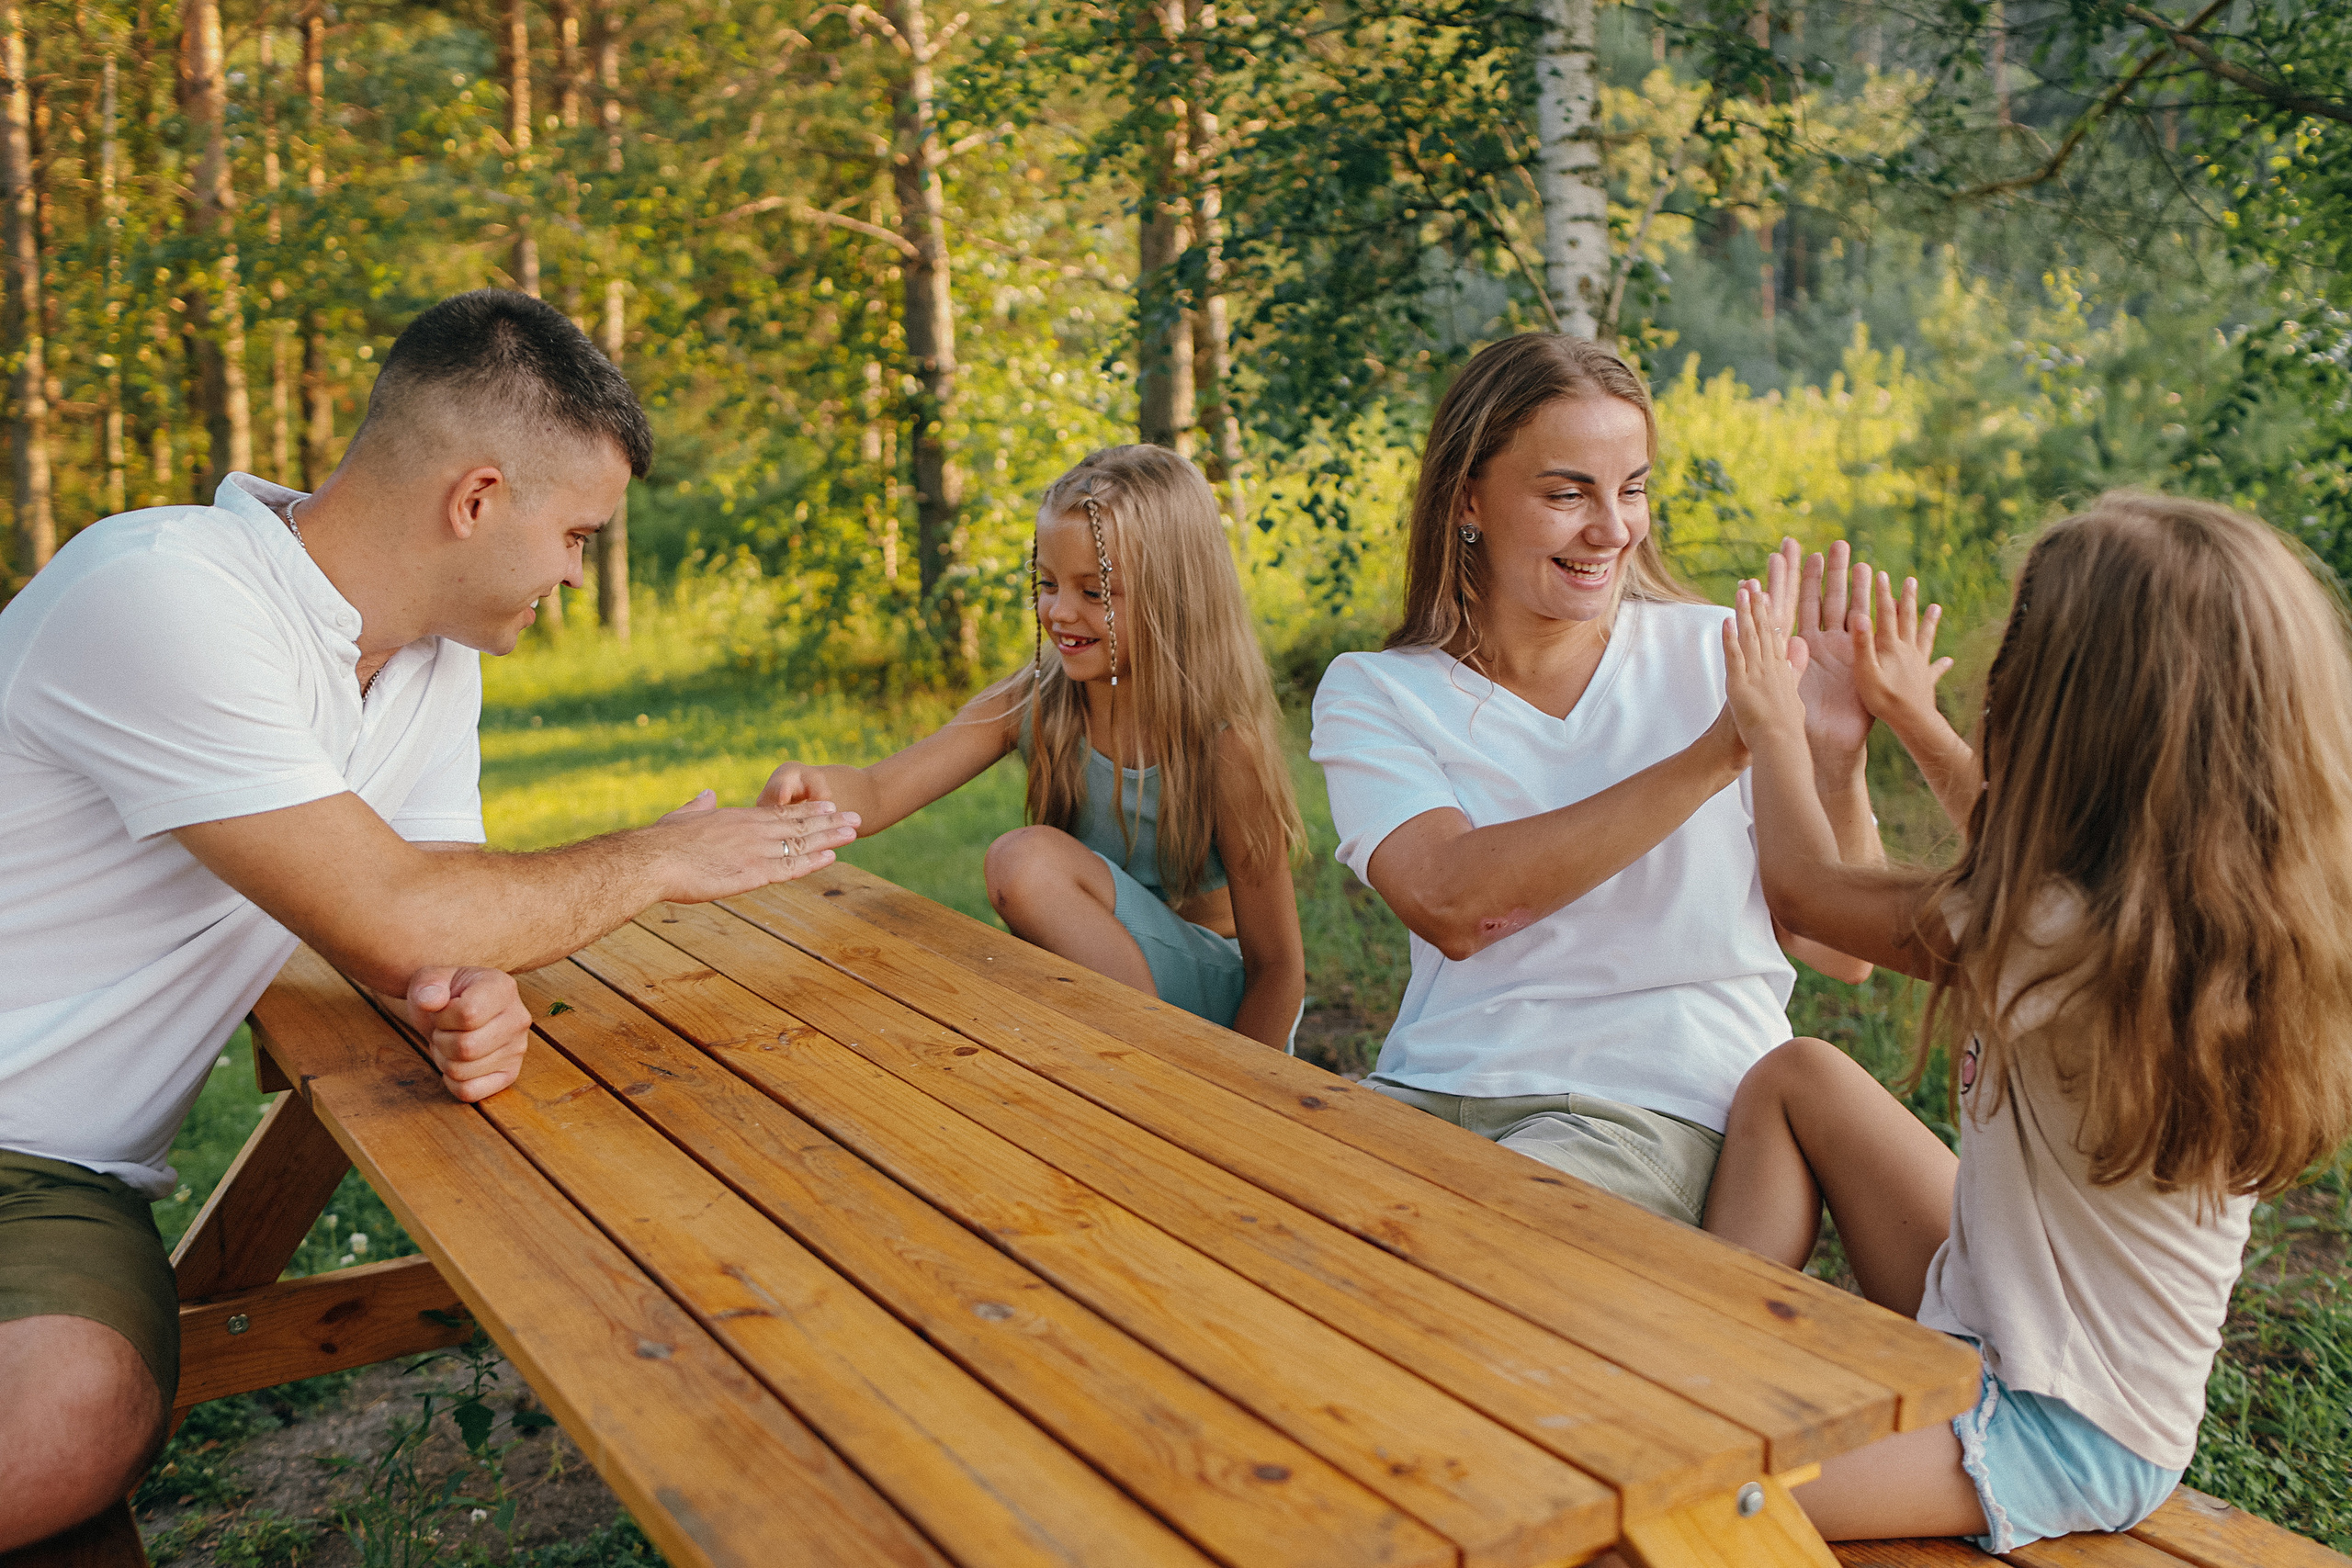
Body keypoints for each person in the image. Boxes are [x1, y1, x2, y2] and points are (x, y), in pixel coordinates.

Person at [0, 290, 858, 1550]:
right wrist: (661, 857)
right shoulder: (162, 589)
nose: (576, 570)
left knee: (76, 1418)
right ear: (476, 499)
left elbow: (432, 915)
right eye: (575, 533)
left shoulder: (428, 661)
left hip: (57, 1179)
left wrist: (465, 986)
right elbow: (406, 907)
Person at [1706, 493, 2352, 1551]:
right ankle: (1704, 1343)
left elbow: (1803, 894)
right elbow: (2019, 862)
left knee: (1695, 1477)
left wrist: (1769, 721)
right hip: (2000, 1308)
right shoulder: (2207, 909)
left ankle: (1696, 1396)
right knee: (1800, 1080)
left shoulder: (2048, 935)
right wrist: (1911, 718)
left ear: (2063, 712)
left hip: (2053, 1426)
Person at [1308, 333, 1875, 1226]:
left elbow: (1842, 950)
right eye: (1567, 493)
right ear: (1468, 499)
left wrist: (1833, 758)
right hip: (1426, 1089)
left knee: (1458, 1261)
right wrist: (1719, 750)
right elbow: (1453, 901)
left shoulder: (1719, 652)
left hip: (1646, 1102)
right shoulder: (1378, 690)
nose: (1612, 528)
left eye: (1632, 488)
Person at [759, 445, 1308, 1048]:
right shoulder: (1038, 699)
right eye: (1046, 583)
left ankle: (1151, 1068)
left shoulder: (1226, 748)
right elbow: (882, 788)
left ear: (1174, 598)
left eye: (1095, 593)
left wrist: (1243, 1093)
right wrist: (816, 786)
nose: (1059, 611)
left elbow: (1279, 968)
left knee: (1025, 862)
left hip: (1211, 1002)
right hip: (1105, 987)